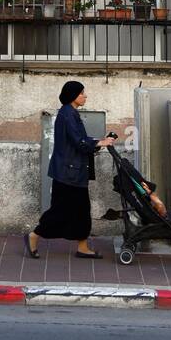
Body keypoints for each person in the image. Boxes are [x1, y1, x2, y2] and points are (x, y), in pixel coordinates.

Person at [24, 81, 117, 260]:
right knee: (60, 211)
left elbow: (80, 140)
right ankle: (34, 236)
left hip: (74, 171)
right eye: (82, 93)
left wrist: (99, 141)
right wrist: (99, 143)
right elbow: (78, 141)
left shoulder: (70, 113)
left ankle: (82, 247)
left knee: (81, 211)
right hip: (68, 173)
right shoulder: (67, 114)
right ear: (73, 95)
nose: (85, 96)